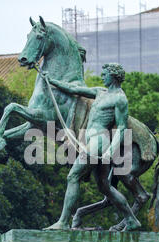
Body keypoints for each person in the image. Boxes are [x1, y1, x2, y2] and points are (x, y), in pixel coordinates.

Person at [44, 63, 141, 231]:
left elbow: (122, 127)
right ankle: (131, 220)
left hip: (99, 143)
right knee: (104, 186)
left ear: (114, 75)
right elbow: (75, 90)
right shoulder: (100, 92)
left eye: (105, 74)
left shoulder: (119, 98)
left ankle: (64, 222)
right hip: (92, 142)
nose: (102, 76)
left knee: (73, 177)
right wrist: (52, 81)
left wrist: (110, 152)